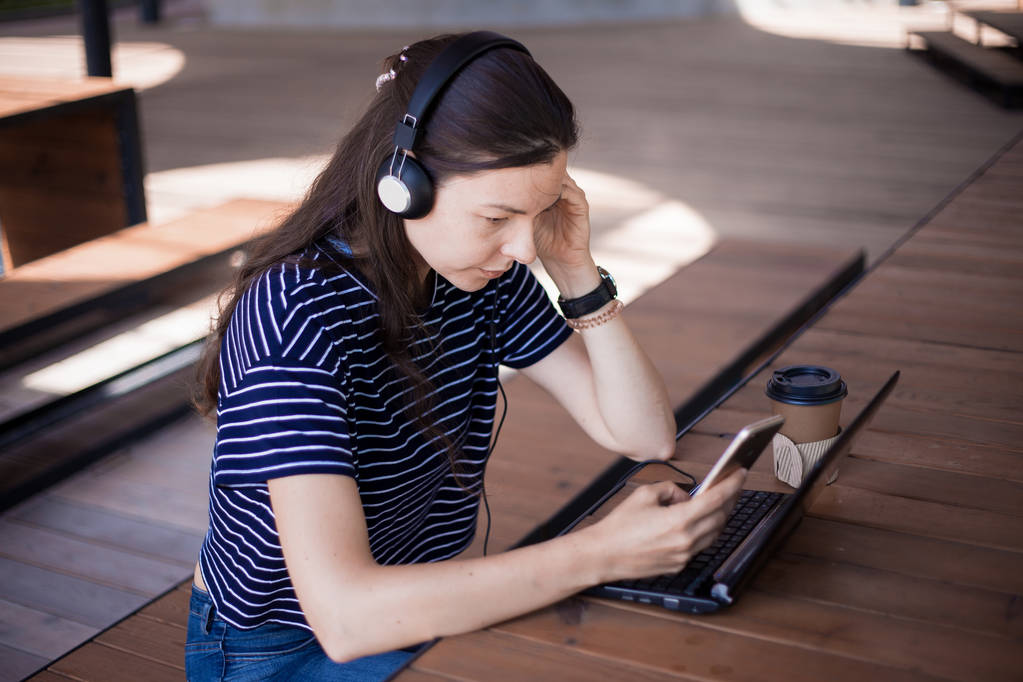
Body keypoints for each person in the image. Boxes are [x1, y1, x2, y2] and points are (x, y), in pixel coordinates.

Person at [184, 31, 746, 681]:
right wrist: (599, 554)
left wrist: (576, 271)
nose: (521, 247)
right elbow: (344, 619)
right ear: (404, 184)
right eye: (496, 217)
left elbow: (643, 434)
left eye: (535, 216)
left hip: (423, 602)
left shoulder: (482, 273)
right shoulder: (295, 314)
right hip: (283, 648)